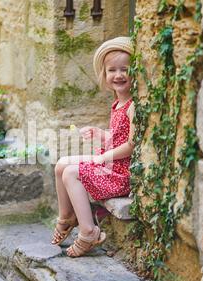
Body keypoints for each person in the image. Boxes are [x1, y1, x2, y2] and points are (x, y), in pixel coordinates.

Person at [51, 37, 136, 257]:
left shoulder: (133, 106)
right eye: (112, 70)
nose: (118, 75)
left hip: (119, 173)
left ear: (135, 72)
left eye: (124, 69)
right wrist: (101, 135)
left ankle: (89, 231)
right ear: (105, 75)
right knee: (61, 165)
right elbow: (117, 136)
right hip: (110, 164)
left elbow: (131, 144)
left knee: (71, 173)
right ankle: (67, 217)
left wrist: (104, 156)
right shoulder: (118, 103)